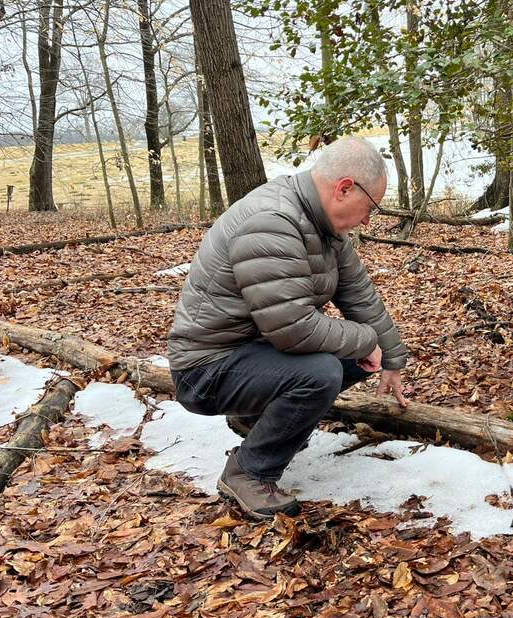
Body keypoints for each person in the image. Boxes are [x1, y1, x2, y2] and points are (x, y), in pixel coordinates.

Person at [167, 137, 409, 520]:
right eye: (370, 209)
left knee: (352, 360)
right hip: (205, 370)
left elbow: (359, 294)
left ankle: (255, 418)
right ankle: (248, 472)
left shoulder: (323, 227)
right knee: (324, 371)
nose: (367, 221)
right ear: (345, 188)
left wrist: (391, 358)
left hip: (252, 353)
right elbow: (293, 330)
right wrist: (365, 342)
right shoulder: (271, 221)